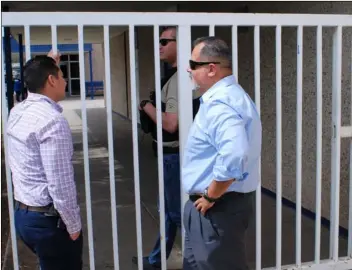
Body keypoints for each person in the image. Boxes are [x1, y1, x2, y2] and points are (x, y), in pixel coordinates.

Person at [181, 36, 262, 270]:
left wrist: (211, 196)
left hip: (217, 209)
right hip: (214, 208)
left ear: (211, 69)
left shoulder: (221, 103)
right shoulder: (230, 97)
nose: (189, 69)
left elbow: (235, 153)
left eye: (193, 65)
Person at [6, 51, 83, 270]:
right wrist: (74, 225)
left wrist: (48, 65)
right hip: (48, 222)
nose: (66, 81)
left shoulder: (17, 112)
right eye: (61, 75)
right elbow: (60, 183)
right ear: (51, 80)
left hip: (25, 216)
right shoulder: (53, 121)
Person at [134, 26, 200, 270]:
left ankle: (195, 262)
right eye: (158, 41)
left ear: (179, 44)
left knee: (176, 214)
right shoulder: (181, 75)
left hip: (174, 154)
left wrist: (146, 106)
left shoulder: (177, 80)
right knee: (170, 214)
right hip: (173, 153)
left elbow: (171, 123)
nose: (159, 45)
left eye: (165, 41)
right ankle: (155, 260)